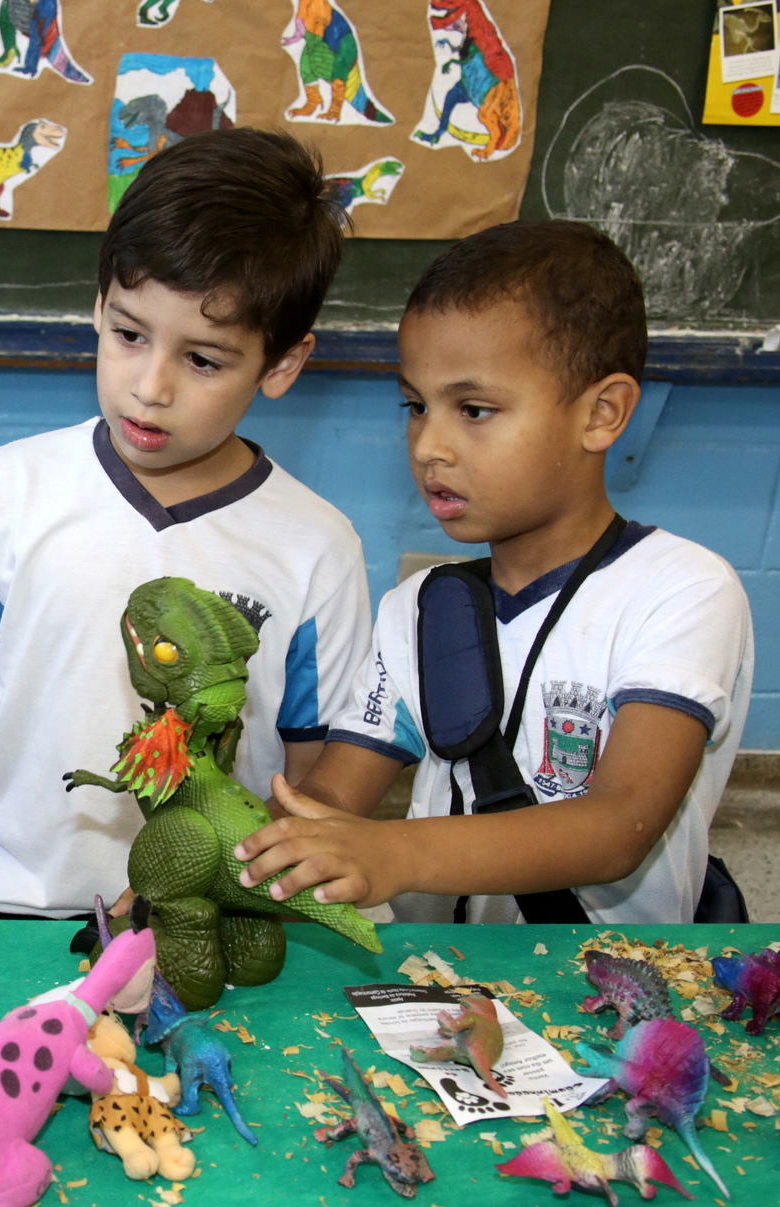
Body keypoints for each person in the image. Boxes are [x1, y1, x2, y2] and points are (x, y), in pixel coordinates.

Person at [0, 128, 372, 920]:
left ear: (281, 364)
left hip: (208, 922)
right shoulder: (11, 485)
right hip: (15, 914)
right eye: (129, 333)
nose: (150, 386)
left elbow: (312, 776)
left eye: (203, 360)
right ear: (99, 304)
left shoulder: (319, 548)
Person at [236, 222, 753, 925]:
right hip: (432, 994)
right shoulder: (418, 608)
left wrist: (395, 854)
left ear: (603, 414)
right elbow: (329, 799)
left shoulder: (681, 588)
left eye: (474, 409)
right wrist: (220, 865)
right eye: (416, 406)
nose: (430, 445)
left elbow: (619, 826)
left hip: (602, 1006)